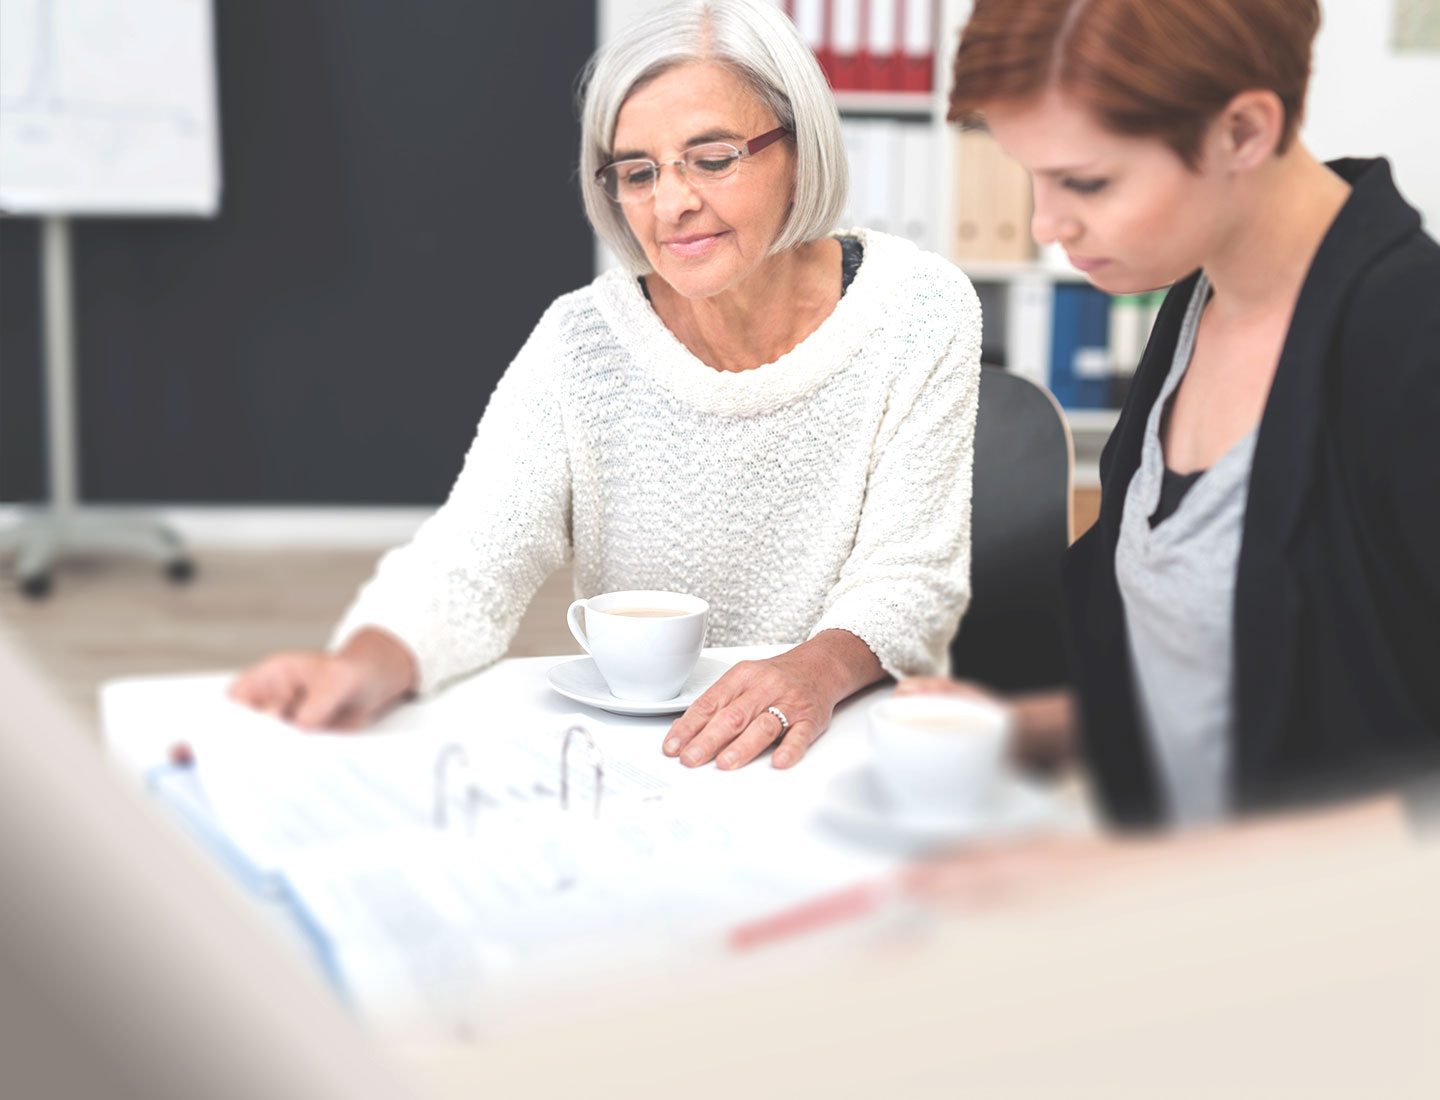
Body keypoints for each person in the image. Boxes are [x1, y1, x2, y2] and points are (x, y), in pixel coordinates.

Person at [229, 0, 983, 772]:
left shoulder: (918, 308)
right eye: (637, 171)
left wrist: (812, 670)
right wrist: (363, 662)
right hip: (652, 754)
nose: (672, 204)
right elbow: (473, 557)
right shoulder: (581, 341)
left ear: (800, 149)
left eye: (713, 158)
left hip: (845, 734)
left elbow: (910, 581)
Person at [901, 0, 1440, 845]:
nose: (1047, 224)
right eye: (1032, 176)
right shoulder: (1197, 297)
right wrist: (1014, 731)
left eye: (1086, 181)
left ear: (1242, 133)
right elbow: (1211, 686)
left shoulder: (1412, 343)